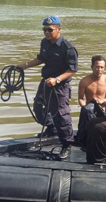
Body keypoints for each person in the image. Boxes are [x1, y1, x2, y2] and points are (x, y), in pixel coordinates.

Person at [16, 16, 78, 160]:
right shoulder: (45, 43)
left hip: (60, 85)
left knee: (61, 115)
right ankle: (51, 128)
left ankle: (66, 145)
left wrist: (57, 80)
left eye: (50, 29)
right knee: (38, 106)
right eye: (44, 29)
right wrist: (23, 66)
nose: (47, 32)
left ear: (59, 30)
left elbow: (72, 70)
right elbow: (41, 58)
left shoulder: (68, 48)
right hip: (45, 82)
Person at [76, 55, 106, 147]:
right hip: (89, 111)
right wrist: (85, 107)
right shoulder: (84, 81)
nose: (99, 69)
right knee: (86, 133)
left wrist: (103, 100)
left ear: (105, 68)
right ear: (92, 67)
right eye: (97, 67)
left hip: (103, 109)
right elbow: (80, 98)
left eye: (101, 67)